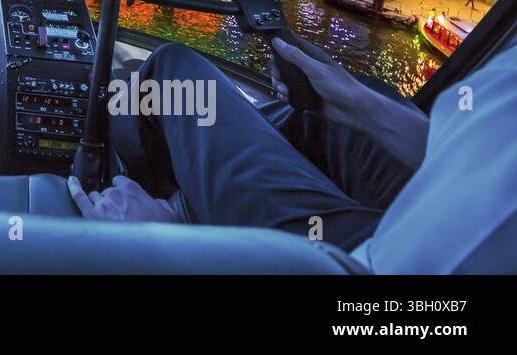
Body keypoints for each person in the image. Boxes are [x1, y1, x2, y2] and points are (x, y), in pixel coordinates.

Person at [67, 37, 517, 272]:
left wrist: (170, 249)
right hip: (440, 203)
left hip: (367, 260)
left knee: (179, 76)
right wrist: (361, 106)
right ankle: (214, 193)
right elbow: (481, 157)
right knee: (326, 113)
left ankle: (183, 204)